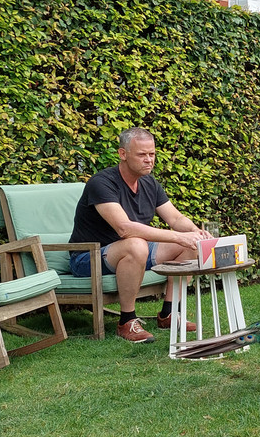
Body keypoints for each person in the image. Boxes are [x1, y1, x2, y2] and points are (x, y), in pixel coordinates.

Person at [69, 127, 213, 343]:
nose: (149, 160)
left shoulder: (149, 183)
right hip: (89, 258)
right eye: (142, 154)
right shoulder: (102, 183)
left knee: (190, 245)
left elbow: (175, 219)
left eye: (152, 154)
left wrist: (195, 232)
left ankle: (169, 314)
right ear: (123, 154)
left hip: (134, 252)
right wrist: (176, 236)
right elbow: (124, 228)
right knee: (136, 243)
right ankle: (127, 321)